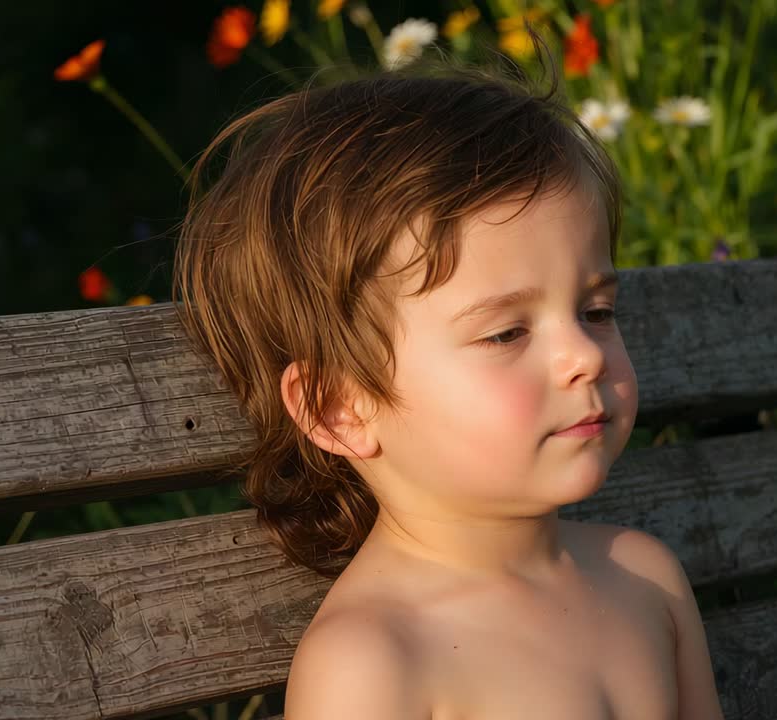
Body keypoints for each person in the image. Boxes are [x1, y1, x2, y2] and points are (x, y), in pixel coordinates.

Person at [172, 31, 725, 720]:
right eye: (506, 332)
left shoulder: (644, 577)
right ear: (341, 407)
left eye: (596, 310)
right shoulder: (374, 662)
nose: (584, 354)